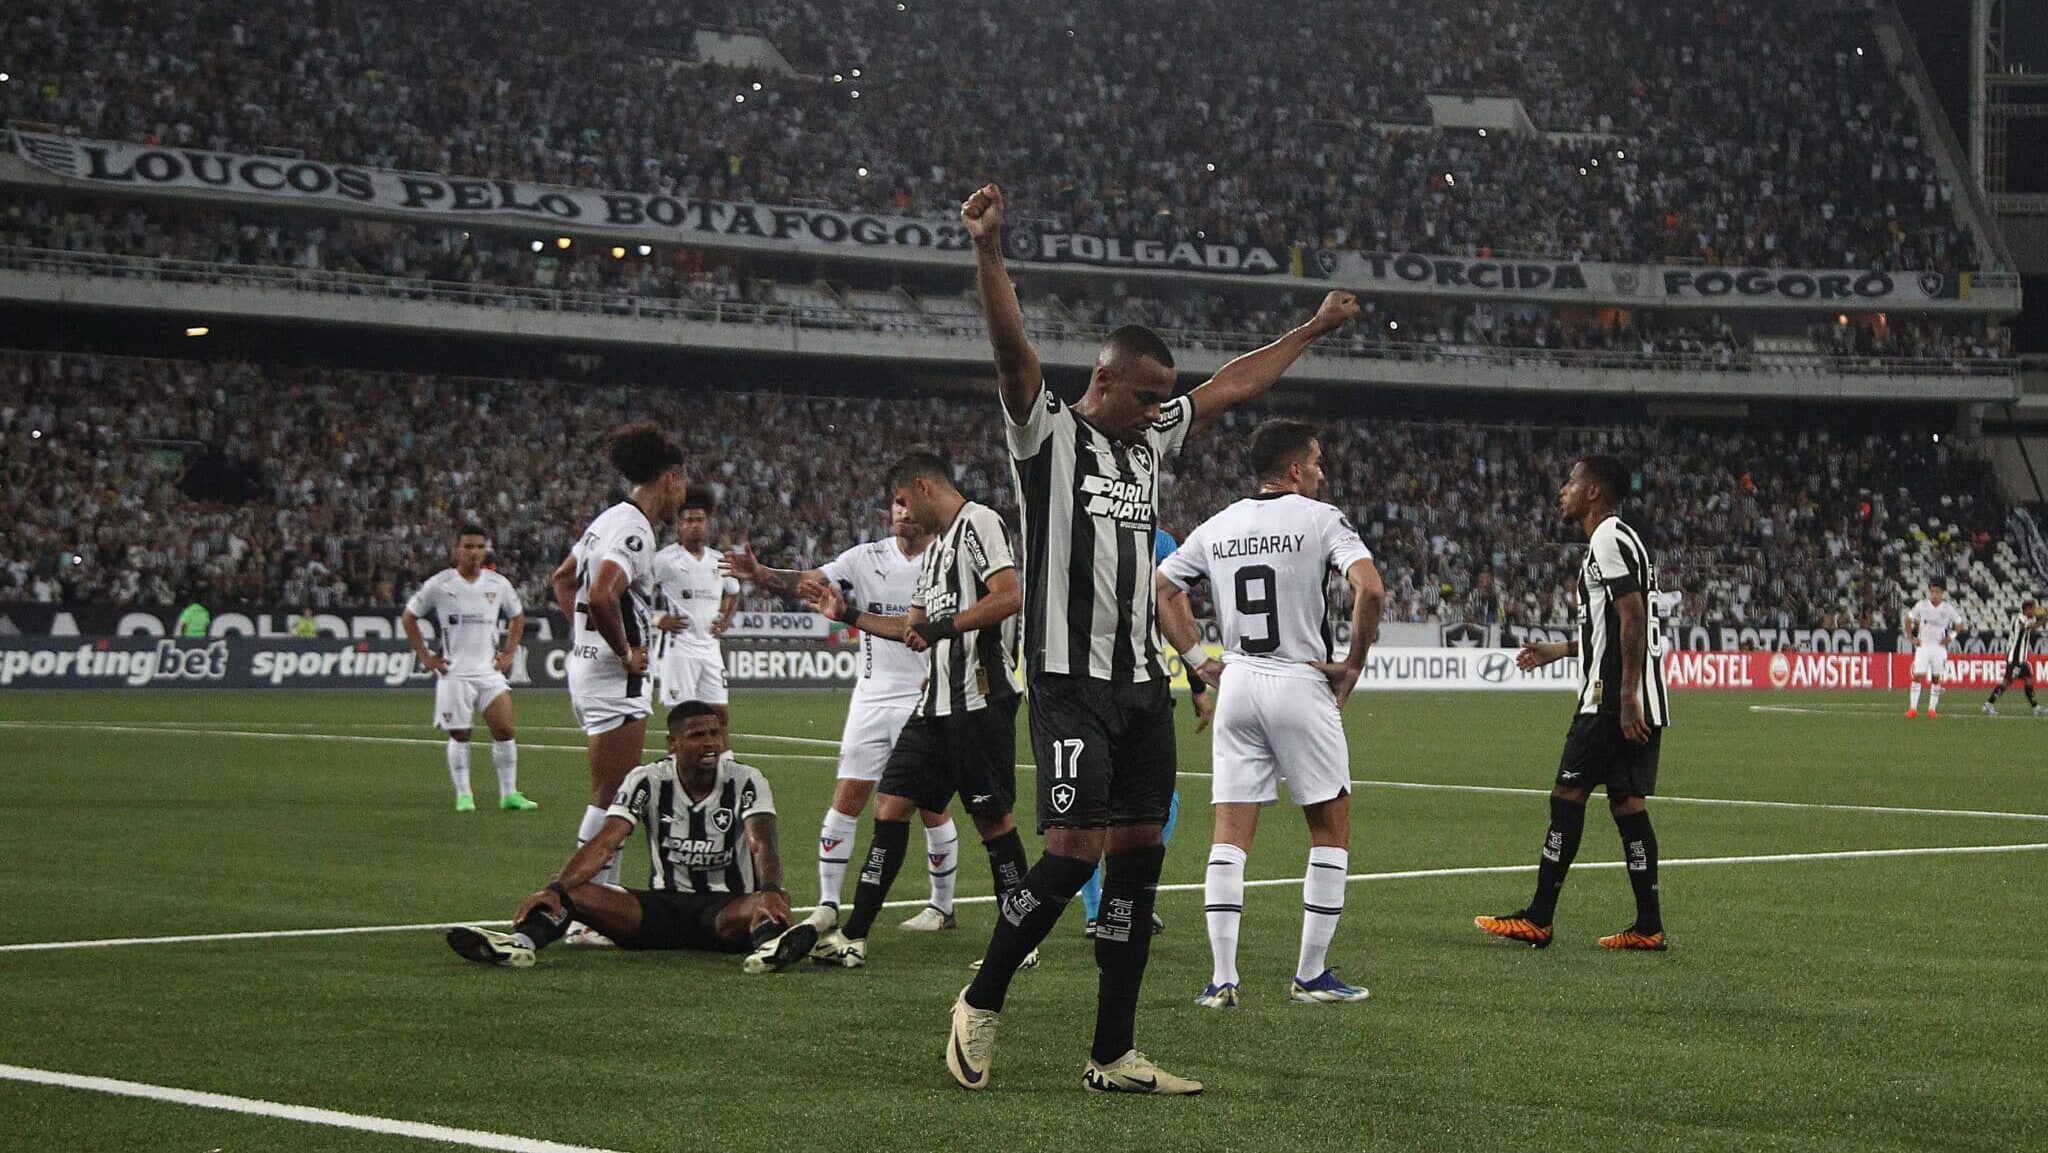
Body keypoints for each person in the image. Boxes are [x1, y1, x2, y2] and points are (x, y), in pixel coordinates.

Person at [946, 182, 1359, 1096]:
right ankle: (981, 995)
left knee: (1136, 859)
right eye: (1143, 397)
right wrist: (989, 251)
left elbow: (1232, 385)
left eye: (1161, 400)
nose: (1156, 411)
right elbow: (1013, 351)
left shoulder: (1149, 441)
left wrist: (1311, 330)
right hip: (1066, 681)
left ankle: (1113, 1051)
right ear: (1101, 381)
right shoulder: (1045, 433)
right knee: (1071, 854)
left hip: (1141, 684)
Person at [1154, 419, 1384, 1007]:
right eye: (1317, 463)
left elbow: (1161, 588)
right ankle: (1310, 975)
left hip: (1237, 684)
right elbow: (1371, 589)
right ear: (1293, 471)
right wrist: (1353, 663)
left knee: (1230, 837)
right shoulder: (1321, 519)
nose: (1322, 474)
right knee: (1329, 829)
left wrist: (1198, 659)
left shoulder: (1218, 526)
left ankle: (1222, 978)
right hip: (1298, 680)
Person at [802, 451, 1028, 969]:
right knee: (890, 807)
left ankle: (1021, 942)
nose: (900, 513)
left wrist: (945, 628)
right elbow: (911, 629)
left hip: (980, 697)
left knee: (992, 821)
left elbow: (1008, 596)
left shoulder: (980, 522)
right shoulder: (934, 555)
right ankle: (854, 936)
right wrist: (849, 615)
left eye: (903, 501)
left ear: (924, 488)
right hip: (933, 706)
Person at [727, 498, 964, 934]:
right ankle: (829, 904)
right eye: (896, 504)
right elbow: (807, 583)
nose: (902, 512)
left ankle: (941, 907)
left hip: (926, 697)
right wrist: (761, 574)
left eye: (910, 504)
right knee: (847, 798)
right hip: (872, 698)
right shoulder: (864, 558)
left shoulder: (950, 558)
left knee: (931, 806)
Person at [445, 703, 816, 973]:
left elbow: (761, 842)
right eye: (697, 736)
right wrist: (556, 889)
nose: (710, 743)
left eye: (715, 734)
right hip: (660, 909)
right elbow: (606, 841)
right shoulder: (647, 779)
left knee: (765, 902)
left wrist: (770, 886)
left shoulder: (747, 779)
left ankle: (770, 946)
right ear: (672, 743)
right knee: (573, 892)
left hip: (724, 910)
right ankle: (518, 945)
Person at [1475, 455, 1672, 952]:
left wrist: (1624, 698)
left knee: (1567, 798)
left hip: (1610, 700)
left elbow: (1632, 617)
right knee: (1628, 807)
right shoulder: (1622, 540)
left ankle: (1539, 918)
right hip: (1639, 696)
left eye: (1571, 483)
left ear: (1593, 493)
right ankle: (1648, 925)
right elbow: (1612, 627)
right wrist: (1558, 650)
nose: (1562, 490)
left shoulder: (1606, 537)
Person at [548, 423, 692, 942]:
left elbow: (563, 579)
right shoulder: (635, 530)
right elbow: (606, 594)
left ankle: (582, 903)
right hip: (613, 678)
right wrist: (625, 651)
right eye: (683, 483)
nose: (684, 493)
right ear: (670, 480)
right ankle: (574, 906)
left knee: (612, 793)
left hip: (586, 670)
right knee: (615, 796)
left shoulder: (607, 519)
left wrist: (583, 634)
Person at [1078, 527, 1203, 938]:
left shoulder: (1075, 524)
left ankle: (1098, 909)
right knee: (1157, 801)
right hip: (1138, 683)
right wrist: (1199, 684)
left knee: (1089, 805)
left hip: (1076, 683)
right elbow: (1179, 618)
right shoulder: (1157, 539)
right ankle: (1123, 900)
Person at [401, 525, 535, 812]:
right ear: (456, 550)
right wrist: (425, 655)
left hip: (488, 672)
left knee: (505, 729)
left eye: (479, 547)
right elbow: (409, 617)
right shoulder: (440, 584)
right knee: (460, 734)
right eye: (468, 546)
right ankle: (464, 794)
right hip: (455, 673)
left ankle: (508, 793)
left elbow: (518, 616)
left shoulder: (497, 584)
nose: (474, 552)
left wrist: (510, 652)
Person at [653, 492, 739, 723]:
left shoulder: (718, 559)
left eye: (700, 520)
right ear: (679, 526)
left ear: (708, 525)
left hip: (710, 649)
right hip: (679, 650)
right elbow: (633, 592)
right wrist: (657, 620)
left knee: (719, 714)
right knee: (683, 717)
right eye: (689, 520)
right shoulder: (665, 560)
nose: (695, 526)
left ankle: (724, 759)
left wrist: (724, 618)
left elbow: (733, 591)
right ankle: (676, 760)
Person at [1903, 581, 1965, 718]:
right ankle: (1913, 709)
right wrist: (1911, 637)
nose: (1934, 595)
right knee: (1918, 676)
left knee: (1936, 678)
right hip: (1923, 646)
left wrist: (1951, 637)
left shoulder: (1947, 609)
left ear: (1942, 594)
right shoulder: (1922, 605)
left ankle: (1932, 709)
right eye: (1932, 592)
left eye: (1937, 592)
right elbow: (1907, 619)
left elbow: (1960, 624)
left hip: (1939, 647)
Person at [1984, 599, 2045, 716]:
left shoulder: (2027, 618)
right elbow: (2031, 627)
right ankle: (1988, 704)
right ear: (2027, 609)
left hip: (2022, 658)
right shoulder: (2019, 619)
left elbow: (2029, 630)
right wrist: (2045, 619)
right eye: (2033, 609)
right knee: (2007, 682)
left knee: (2028, 680)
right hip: (2015, 657)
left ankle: (2036, 708)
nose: (2035, 611)